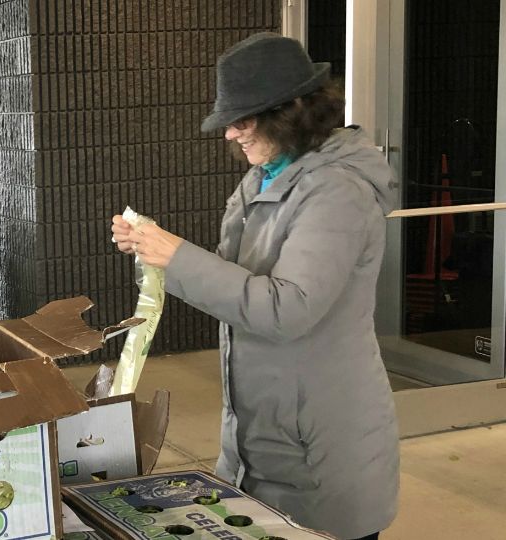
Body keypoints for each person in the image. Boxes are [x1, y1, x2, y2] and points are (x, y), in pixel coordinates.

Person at [111, 33, 399, 540]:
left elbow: (288, 308)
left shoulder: (337, 191)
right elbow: (237, 286)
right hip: (261, 439)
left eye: (241, 120)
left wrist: (177, 257)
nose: (229, 134)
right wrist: (154, 253)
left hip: (319, 448)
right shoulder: (264, 177)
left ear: (289, 111)